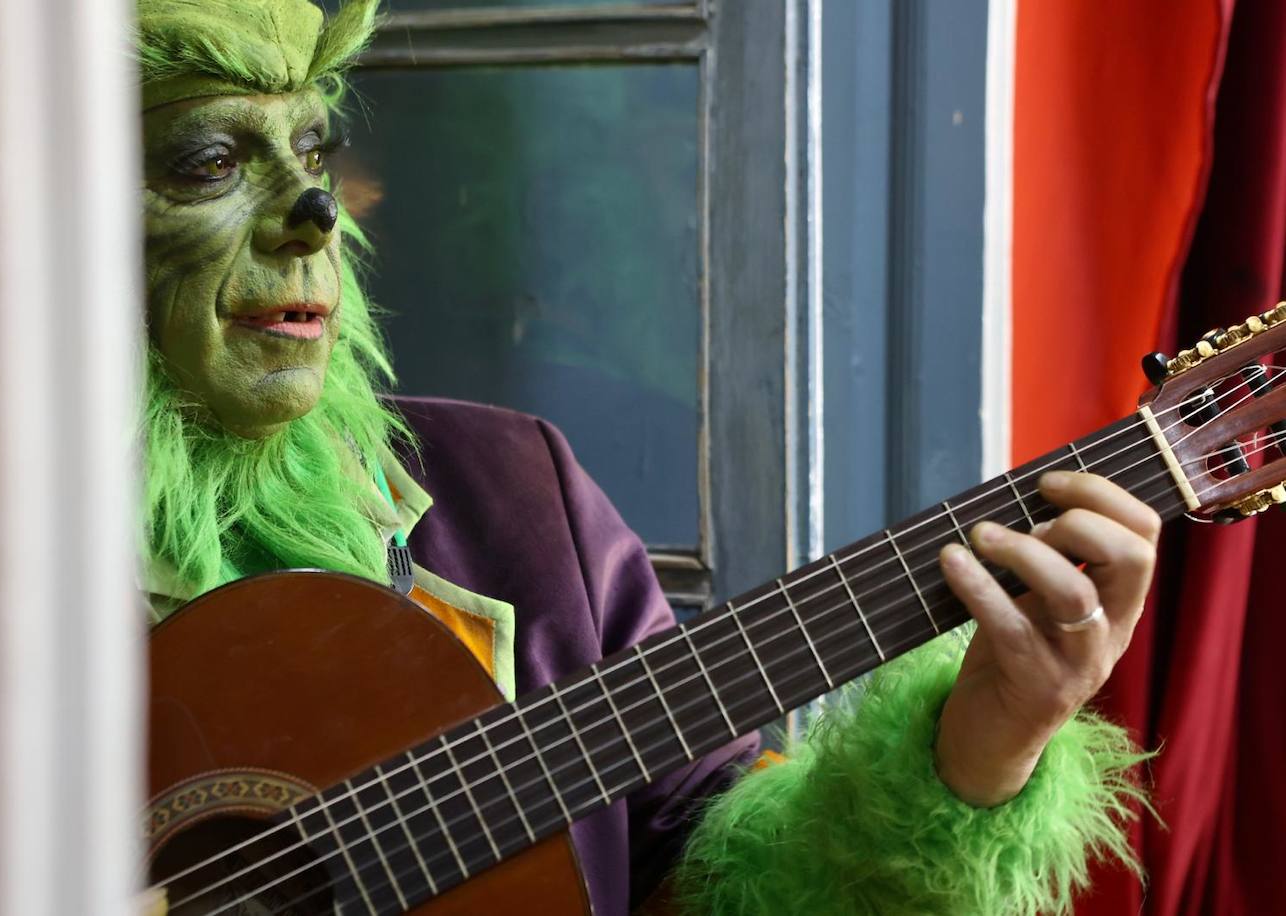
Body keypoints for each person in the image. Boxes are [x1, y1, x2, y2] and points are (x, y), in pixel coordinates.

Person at [137, 1, 1160, 912]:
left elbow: (721, 872)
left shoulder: (512, 494)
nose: (315, 213)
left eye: (314, 150)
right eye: (211, 161)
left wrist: (979, 750)